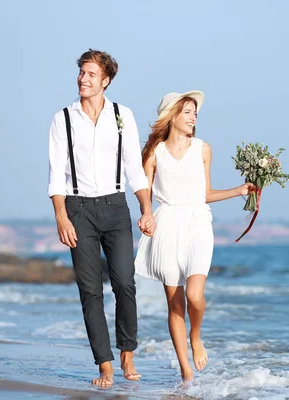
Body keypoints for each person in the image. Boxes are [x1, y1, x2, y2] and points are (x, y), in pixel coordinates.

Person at [47, 49, 156, 388]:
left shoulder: (123, 115)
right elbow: (56, 176)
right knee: (90, 289)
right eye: (82, 73)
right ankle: (105, 364)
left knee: (125, 281)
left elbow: (134, 171)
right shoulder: (63, 119)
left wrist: (146, 209)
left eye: (91, 74)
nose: (83, 79)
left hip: (114, 205)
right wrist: (62, 218)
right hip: (78, 209)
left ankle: (127, 350)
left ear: (105, 80)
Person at [135, 91, 256, 382]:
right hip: (166, 225)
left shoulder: (203, 149)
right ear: (172, 116)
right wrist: (146, 214)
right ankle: (185, 370)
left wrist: (238, 191)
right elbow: (144, 193)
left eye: (195, 113)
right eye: (187, 112)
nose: (193, 117)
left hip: (197, 222)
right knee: (175, 304)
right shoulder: (154, 153)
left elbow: (204, 194)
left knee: (194, 296)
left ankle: (196, 335)